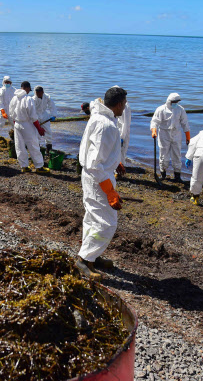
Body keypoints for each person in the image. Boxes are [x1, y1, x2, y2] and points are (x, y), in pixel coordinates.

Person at [76, 86, 127, 280]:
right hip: (98, 178)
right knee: (107, 223)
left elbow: (97, 152)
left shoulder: (99, 116)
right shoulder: (106, 125)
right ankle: (83, 259)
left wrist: (115, 161)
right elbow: (94, 163)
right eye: (124, 104)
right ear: (120, 104)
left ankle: (92, 256)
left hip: (95, 175)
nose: (125, 108)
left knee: (93, 217)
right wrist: (109, 191)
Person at [8, 81, 50, 174]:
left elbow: (11, 114)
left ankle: (24, 166)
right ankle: (39, 166)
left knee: (19, 146)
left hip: (17, 124)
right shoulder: (28, 99)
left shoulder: (14, 98)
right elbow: (33, 117)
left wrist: (16, 123)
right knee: (33, 145)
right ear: (27, 88)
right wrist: (39, 129)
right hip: (26, 124)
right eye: (29, 90)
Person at [150, 93, 191, 182]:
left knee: (177, 154)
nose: (176, 103)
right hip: (164, 134)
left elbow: (185, 124)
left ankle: (177, 175)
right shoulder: (161, 109)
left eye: (177, 102)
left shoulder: (180, 110)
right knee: (163, 154)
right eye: (174, 102)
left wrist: (188, 136)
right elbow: (155, 121)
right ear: (169, 101)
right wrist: (154, 131)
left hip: (176, 134)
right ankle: (163, 174)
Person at [33, 85, 57, 155]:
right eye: (37, 93)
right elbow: (31, 110)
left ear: (43, 92)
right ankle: (38, 148)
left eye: (40, 93)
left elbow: (52, 106)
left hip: (44, 115)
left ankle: (49, 147)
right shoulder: (33, 99)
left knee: (48, 131)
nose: (38, 95)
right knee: (36, 133)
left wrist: (53, 115)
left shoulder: (47, 97)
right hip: (36, 116)